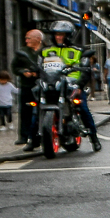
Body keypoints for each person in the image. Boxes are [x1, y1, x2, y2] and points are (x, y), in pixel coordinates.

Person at [37, 20, 101, 151]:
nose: (59, 37)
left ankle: (94, 138)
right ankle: (33, 139)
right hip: (52, 83)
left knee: (83, 108)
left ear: (69, 35)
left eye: (62, 34)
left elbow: (86, 70)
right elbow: (38, 66)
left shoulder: (78, 51)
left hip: (73, 84)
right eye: (56, 34)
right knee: (35, 105)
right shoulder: (45, 51)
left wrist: (79, 85)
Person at [12, 29, 44, 147]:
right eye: (26, 38)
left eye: (29, 38)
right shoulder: (22, 52)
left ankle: (40, 136)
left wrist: (39, 74)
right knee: (25, 112)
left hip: (42, 86)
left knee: (42, 111)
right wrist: (23, 72)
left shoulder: (46, 51)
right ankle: (23, 136)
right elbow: (14, 67)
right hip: (27, 86)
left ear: (38, 39)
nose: (26, 40)